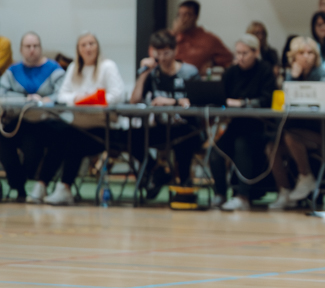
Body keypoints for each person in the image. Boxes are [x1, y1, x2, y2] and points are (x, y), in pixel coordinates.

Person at [46, 32, 127, 205]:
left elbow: (117, 95)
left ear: (98, 47)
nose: (88, 48)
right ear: (78, 49)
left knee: (72, 140)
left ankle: (64, 187)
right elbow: (62, 96)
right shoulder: (74, 68)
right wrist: (78, 98)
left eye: (91, 44)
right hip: (79, 124)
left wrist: (93, 101)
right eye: (84, 45)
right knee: (57, 134)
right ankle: (41, 184)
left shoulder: (108, 66)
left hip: (104, 129)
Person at [128, 30, 202, 198]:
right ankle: (158, 171)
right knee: (132, 138)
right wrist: (144, 73)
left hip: (187, 128)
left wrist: (171, 102)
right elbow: (134, 100)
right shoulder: (153, 74)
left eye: (166, 53)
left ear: (175, 51)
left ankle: (184, 188)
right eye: (158, 53)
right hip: (162, 127)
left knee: (184, 144)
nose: (162, 57)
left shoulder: (190, 72)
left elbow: (196, 102)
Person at [213, 35, 276, 210]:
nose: (240, 57)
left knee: (242, 147)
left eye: (244, 53)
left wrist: (242, 103)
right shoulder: (231, 72)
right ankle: (220, 194)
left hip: (259, 126)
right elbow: (220, 95)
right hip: (235, 125)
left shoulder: (265, 70)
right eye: (238, 53)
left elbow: (267, 99)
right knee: (216, 153)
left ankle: (243, 196)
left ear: (255, 52)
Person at [0, 32, 65, 201]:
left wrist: (46, 99)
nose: (32, 50)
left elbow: (63, 94)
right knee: (3, 140)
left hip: (44, 123)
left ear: (41, 48)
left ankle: (30, 180)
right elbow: (2, 94)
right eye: (28, 46)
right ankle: (17, 184)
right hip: (17, 121)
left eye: (35, 46)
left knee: (32, 142)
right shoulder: (12, 71)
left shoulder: (54, 69)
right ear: (21, 49)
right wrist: (23, 99)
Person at [268, 36, 325, 209]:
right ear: (293, 57)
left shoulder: (323, 76)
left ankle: (306, 176)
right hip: (295, 132)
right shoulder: (290, 76)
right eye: (301, 53)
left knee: (291, 137)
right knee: (272, 147)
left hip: (322, 135)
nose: (306, 57)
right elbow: (282, 105)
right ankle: (284, 191)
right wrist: (292, 78)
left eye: (310, 53)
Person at [172, 0, 233, 72]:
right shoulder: (173, 36)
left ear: (196, 17)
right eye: (179, 15)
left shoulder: (208, 39)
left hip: (196, 77)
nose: (182, 19)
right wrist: (175, 32)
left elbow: (228, 58)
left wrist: (213, 63)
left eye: (187, 15)